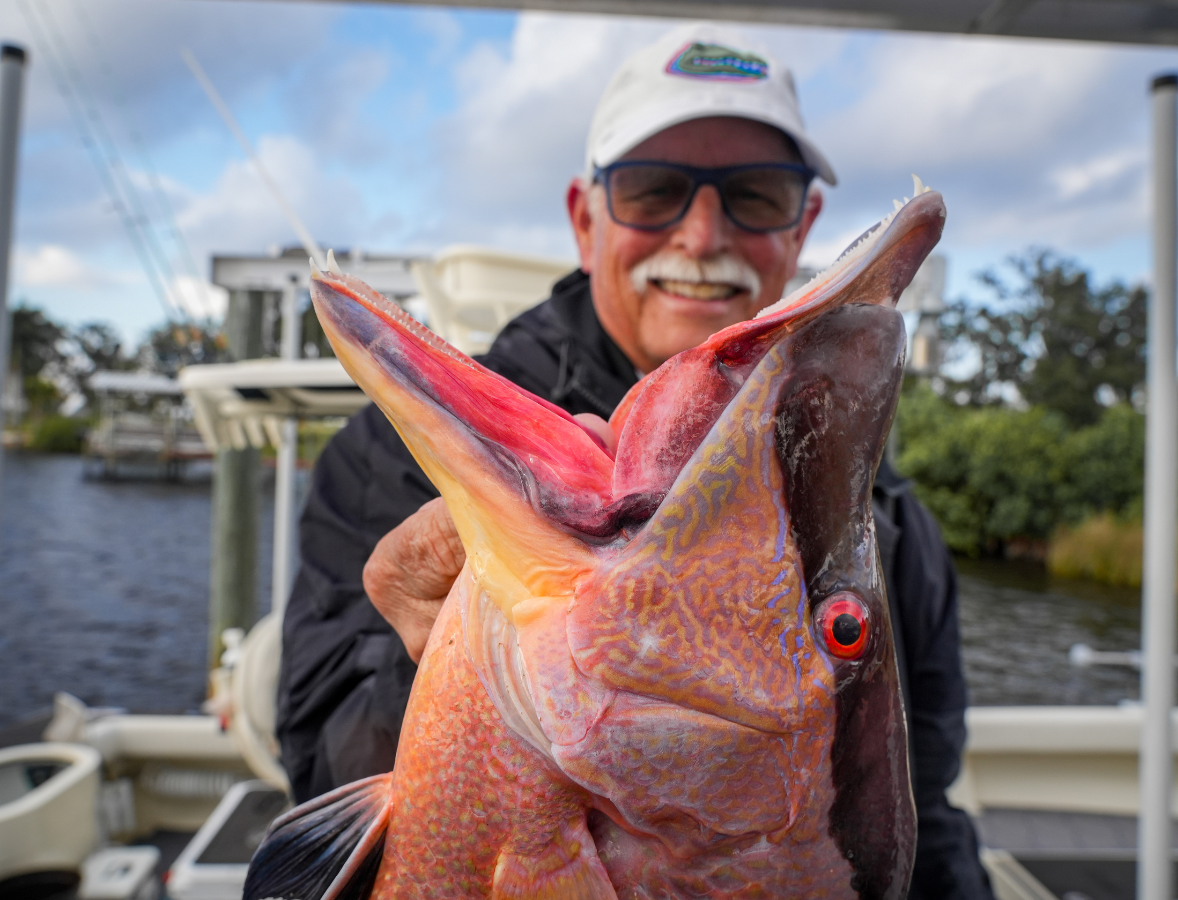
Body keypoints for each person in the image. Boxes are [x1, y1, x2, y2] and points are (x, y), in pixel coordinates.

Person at [276, 23, 993, 899]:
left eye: (756, 195)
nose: (699, 234)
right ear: (586, 221)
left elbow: (930, 807)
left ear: (803, 226)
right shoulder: (387, 458)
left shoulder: (895, 520)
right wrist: (422, 668)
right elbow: (315, 765)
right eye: (654, 191)